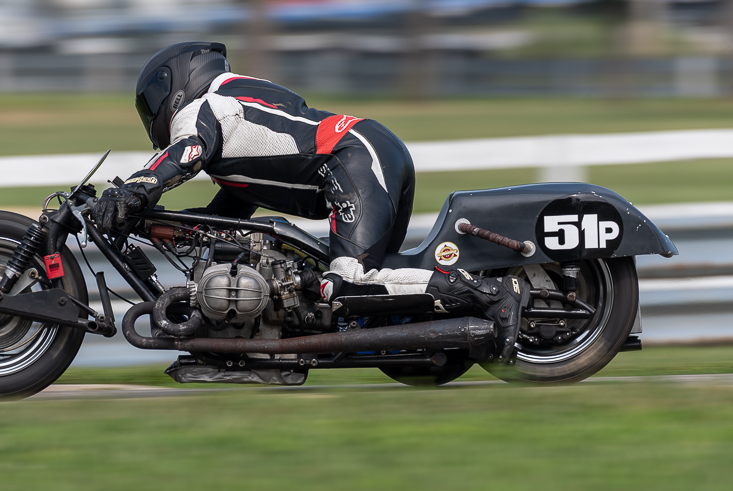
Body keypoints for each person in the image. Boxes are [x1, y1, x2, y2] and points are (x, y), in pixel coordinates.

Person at [93, 41, 529, 363]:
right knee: (376, 296)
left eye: (151, 103)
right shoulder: (234, 131)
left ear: (173, 83)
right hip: (364, 152)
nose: (153, 115)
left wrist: (133, 189)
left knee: (347, 283)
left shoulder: (207, 105)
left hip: (352, 156)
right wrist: (153, 224)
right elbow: (219, 221)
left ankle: (492, 295)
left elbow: (185, 154)